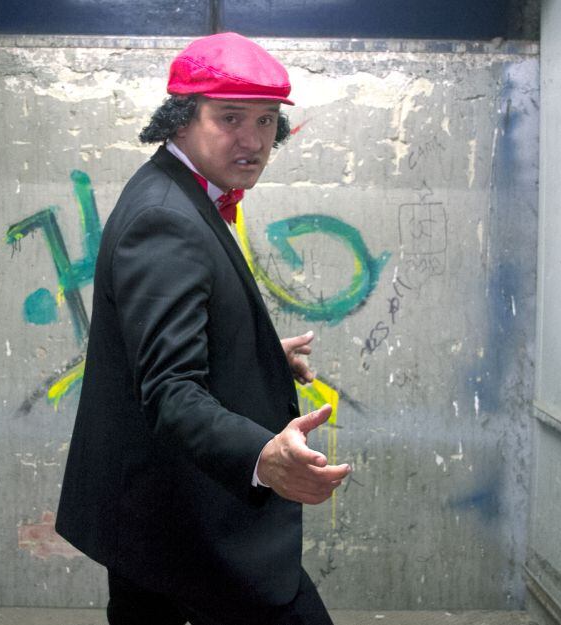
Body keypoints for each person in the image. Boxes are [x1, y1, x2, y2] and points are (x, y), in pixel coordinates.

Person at [55, 32, 351, 625]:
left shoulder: (176, 193)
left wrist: (256, 353)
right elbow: (170, 389)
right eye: (230, 118)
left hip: (157, 513)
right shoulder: (165, 217)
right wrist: (264, 456)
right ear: (181, 119)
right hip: (185, 517)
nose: (254, 140)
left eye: (266, 121)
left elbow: (162, 345)